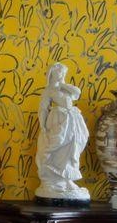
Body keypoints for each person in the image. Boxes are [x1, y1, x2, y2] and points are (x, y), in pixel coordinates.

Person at [35, 63, 89, 200]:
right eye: (59, 72)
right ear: (52, 73)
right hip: (58, 119)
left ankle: (67, 179)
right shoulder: (49, 90)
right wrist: (43, 126)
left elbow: (77, 93)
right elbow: (43, 109)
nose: (62, 74)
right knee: (58, 146)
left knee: (73, 146)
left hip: (72, 118)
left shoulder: (66, 88)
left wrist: (63, 85)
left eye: (63, 72)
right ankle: (52, 180)